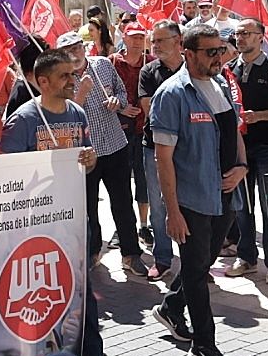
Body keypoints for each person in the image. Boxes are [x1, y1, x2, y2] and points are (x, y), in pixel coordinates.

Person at [0, 50, 122, 356]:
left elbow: (88, 160)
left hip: (72, 220)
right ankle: (31, 354)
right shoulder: (24, 119)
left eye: (73, 74)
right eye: (66, 76)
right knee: (35, 290)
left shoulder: (79, 113)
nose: (74, 80)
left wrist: (90, 158)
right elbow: (6, 172)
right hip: (33, 224)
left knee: (81, 287)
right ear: (43, 81)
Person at [149, 22, 247, 356]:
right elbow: (163, 159)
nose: (218, 57)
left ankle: (170, 308)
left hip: (225, 195)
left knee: (202, 262)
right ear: (188, 54)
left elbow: (233, 131)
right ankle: (204, 344)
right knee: (196, 271)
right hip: (192, 200)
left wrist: (242, 166)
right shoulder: (171, 95)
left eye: (220, 50)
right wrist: (171, 211)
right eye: (210, 52)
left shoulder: (221, 84)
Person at [58, 31, 147, 276]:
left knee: (123, 202)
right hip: (85, 153)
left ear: (84, 48)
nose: (73, 54)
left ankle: (130, 254)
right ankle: (92, 252)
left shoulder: (104, 65)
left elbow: (121, 92)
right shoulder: (61, 79)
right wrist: (82, 93)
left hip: (115, 144)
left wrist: (117, 102)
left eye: (76, 48)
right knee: (88, 208)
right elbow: (65, 115)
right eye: (67, 51)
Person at [229, 17, 268, 278]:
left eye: (247, 33)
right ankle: (246, 256)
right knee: (243, 205)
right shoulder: (229, 70)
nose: (241, 38)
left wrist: (258, 116)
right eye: (238, 34)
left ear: (261, 36)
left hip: (267, 146)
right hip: (240, 147)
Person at [137, 21, 186, 279]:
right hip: (155, 147)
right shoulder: (148, 72)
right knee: (158, 205)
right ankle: (163, 259)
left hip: (189, 149)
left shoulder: (193, 68)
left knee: (190, 204)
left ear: (179, 41)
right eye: (153, 41)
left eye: (160, 41)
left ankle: (194, 261)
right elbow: (150, 109)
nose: (155, 46)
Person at [111, 22, 152, 247]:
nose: (137, 41)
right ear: (124, 39)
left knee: (144, 180)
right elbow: (103, 92)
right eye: (133, 37)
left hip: (145, 129)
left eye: (141, 37)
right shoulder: (112, 62)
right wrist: (120, 108)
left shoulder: (152, 62)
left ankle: (144, 226)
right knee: (121, 181)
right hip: (119, 129)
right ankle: (122, 227)